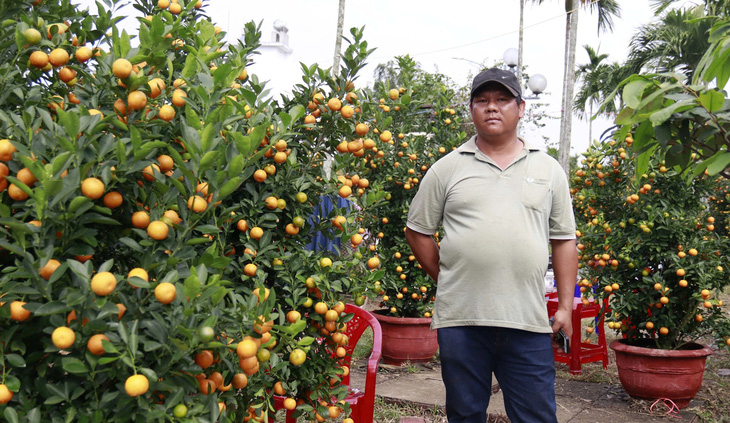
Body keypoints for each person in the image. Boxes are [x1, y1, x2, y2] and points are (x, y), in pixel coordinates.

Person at [405, 67, 578, 423]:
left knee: (537, 417)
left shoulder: (548, 170)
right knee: (465, 414)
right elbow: (418, 231)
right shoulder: (446, 169)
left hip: (528, 321)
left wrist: (564, 307)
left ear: (521, 107)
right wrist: (449, 276)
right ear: (471, 110)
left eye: (502, 100)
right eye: (482, 101)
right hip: (462, 321)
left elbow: (563, 240)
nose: (492, 108)